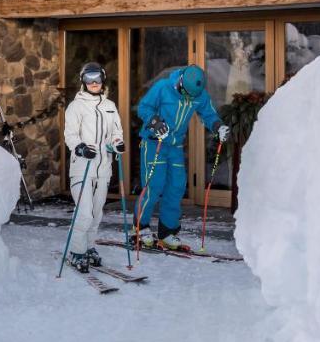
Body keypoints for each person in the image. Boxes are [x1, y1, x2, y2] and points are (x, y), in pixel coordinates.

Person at [134, 64, 229, 251]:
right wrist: (155, 121)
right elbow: (143, 107)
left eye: (192, 97)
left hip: (175, 146)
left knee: (176, 186)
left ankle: (168, 232)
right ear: (180, 84)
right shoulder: (163, 87)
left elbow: (208, 114)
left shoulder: (198, 93)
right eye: (187, 95)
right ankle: (141, 227)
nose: (189, 99)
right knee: (154, 186)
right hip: (154, 143)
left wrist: (218, 126)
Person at [63, 61, 125, 272]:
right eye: (89, 78)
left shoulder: (109, 106)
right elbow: (70, 135)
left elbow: (117, 132)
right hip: (82, 167)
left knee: (97, 213)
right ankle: (76, 252)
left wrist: (117, 144)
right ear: (83, 81)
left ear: (103, 79)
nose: (93, 82)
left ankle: (89, 248)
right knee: (84, 213)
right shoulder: (76, 106)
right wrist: (79, 148)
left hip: (103, 168)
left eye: (97, 77)